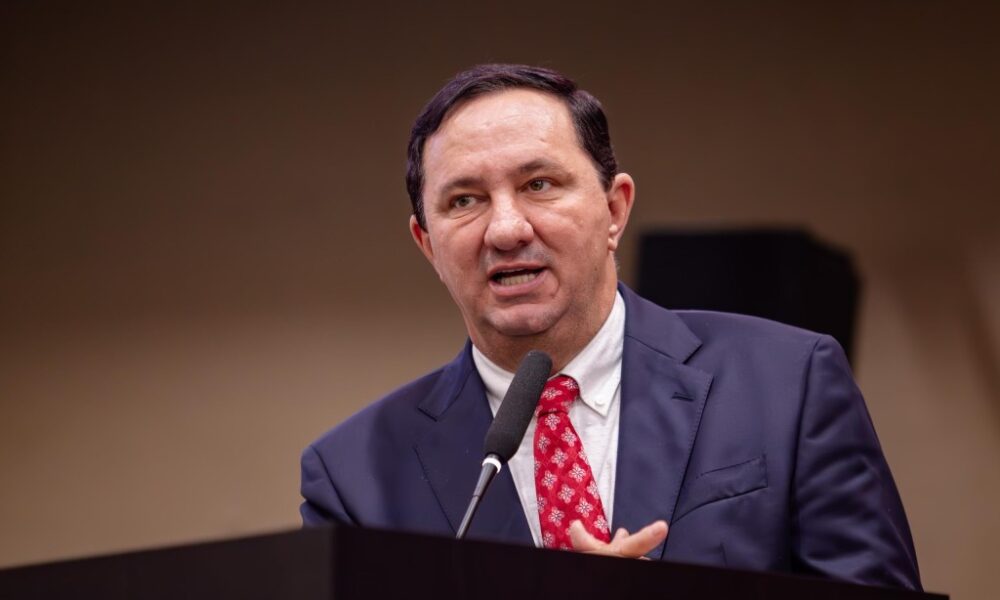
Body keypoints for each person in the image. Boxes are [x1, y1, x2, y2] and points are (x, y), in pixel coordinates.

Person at [299, 64, 921, 590]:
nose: (506, 229)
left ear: (615, 210)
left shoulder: (788, 384)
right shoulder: (353, 476)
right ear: (427, 244)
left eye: (539, 184)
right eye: (464, 200)